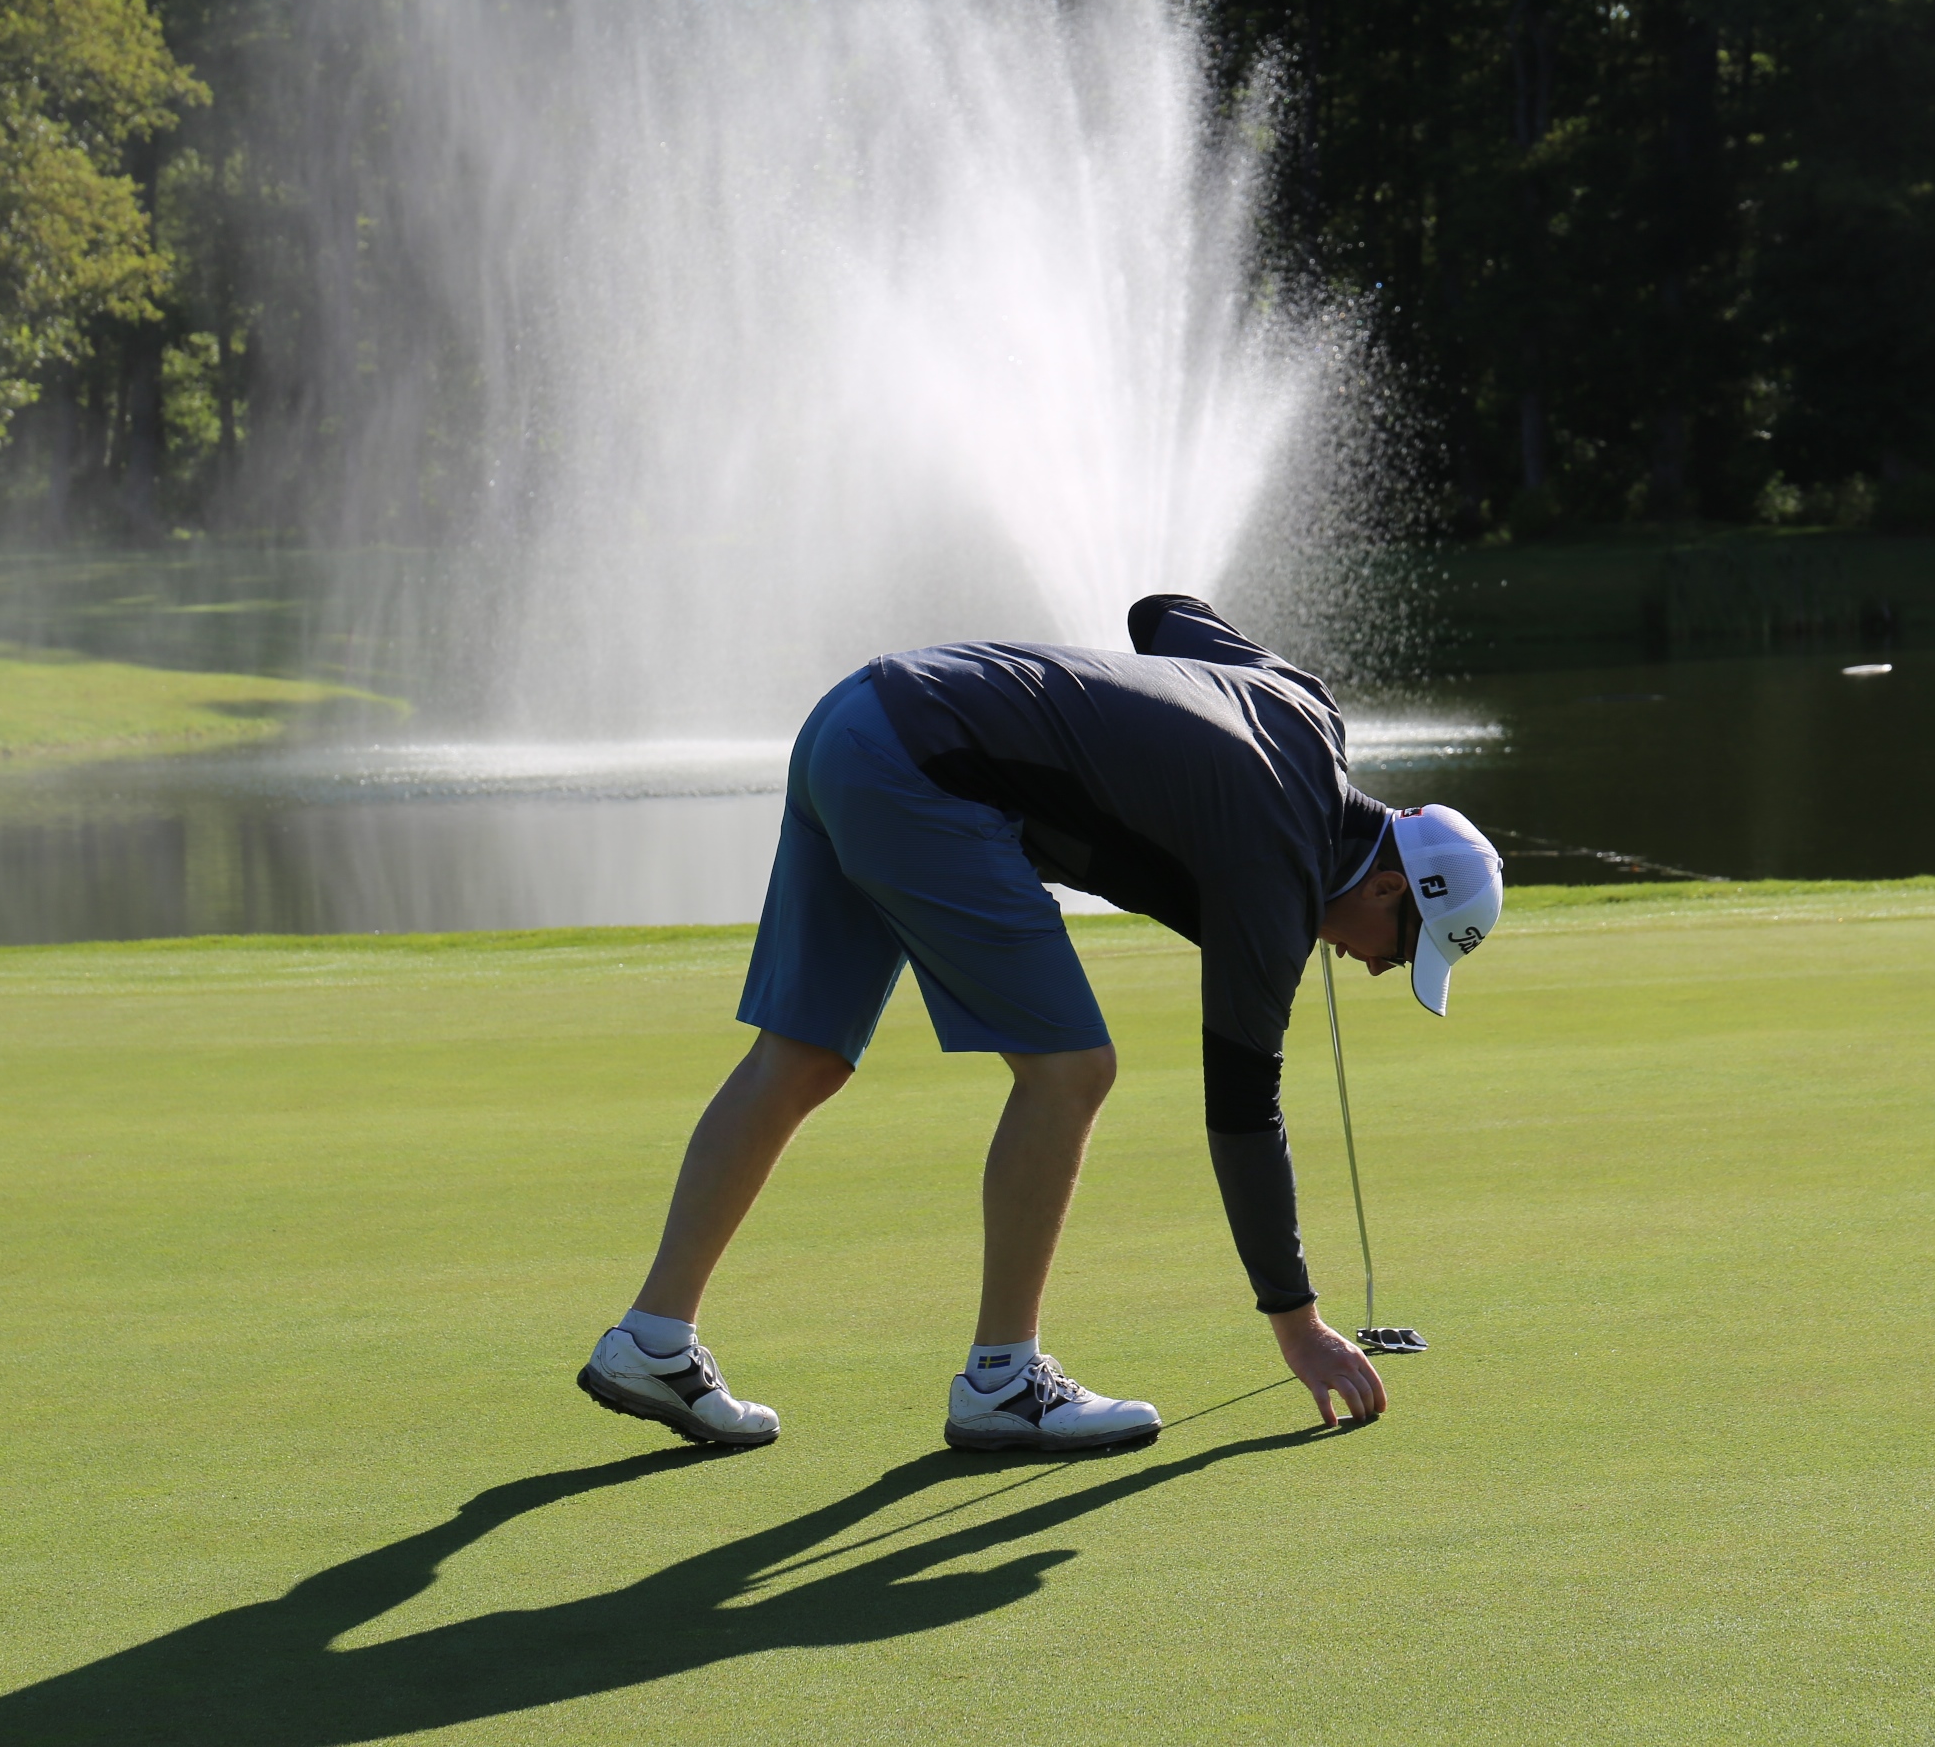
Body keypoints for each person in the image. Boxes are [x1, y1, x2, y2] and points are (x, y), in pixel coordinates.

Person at [580, 594, 1504, 1452]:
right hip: (926, 769)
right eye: (1400, 946)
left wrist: (1193, 716)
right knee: (1071, 1070)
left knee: (804, 1054)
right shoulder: (1278, 867)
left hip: (856, 717)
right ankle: (1005, 1382)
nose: (1379, 965)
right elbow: (1242, 1111)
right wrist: (1297, 1326)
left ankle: (653, 1340)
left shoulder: (1307, 711)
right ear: (1387, 884)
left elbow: (1165, 614)